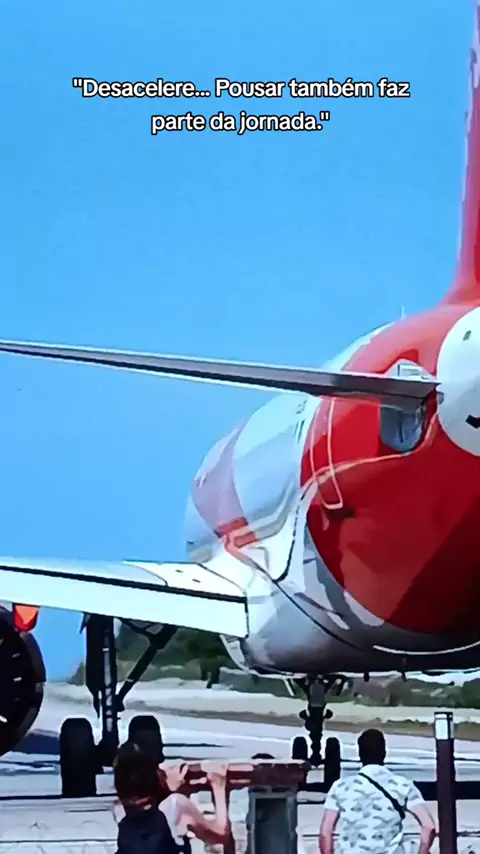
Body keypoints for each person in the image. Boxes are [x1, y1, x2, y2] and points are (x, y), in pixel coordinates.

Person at [319, 728, 436, 854]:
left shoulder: (340, 787)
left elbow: (326, 832)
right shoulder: (402, 785)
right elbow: (429, 826)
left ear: (360, 754)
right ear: (384, 753)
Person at [114, 744, 233, 852]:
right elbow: (220, 835)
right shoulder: (175, 806)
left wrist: (167, 789)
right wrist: (218, 786)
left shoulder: (119, 812)